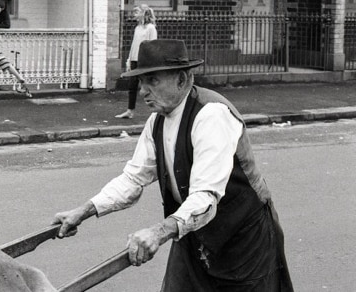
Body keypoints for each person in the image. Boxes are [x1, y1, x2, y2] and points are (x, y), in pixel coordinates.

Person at [52, 39, 293, 292]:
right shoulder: (157, 121)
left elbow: (205, 195)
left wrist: (158, 232)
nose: (143, 90)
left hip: (243, 239)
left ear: (182, 79)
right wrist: (83, 210)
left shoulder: (212, 115)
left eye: (153, 80)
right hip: (191, 230)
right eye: (141, 81)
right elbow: (133, 179)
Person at [116, 4, 157, 119]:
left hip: (144, 60)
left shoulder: (150, 28)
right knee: (132, 85)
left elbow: (153, 46)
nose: (134, 15)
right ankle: (130, 111)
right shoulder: (137, 28)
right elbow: (134, 45)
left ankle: (156, 111)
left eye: (136, 12)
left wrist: (150, 61)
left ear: (143, 13)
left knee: (149, 86)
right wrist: (129, 59)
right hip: (135, 59)